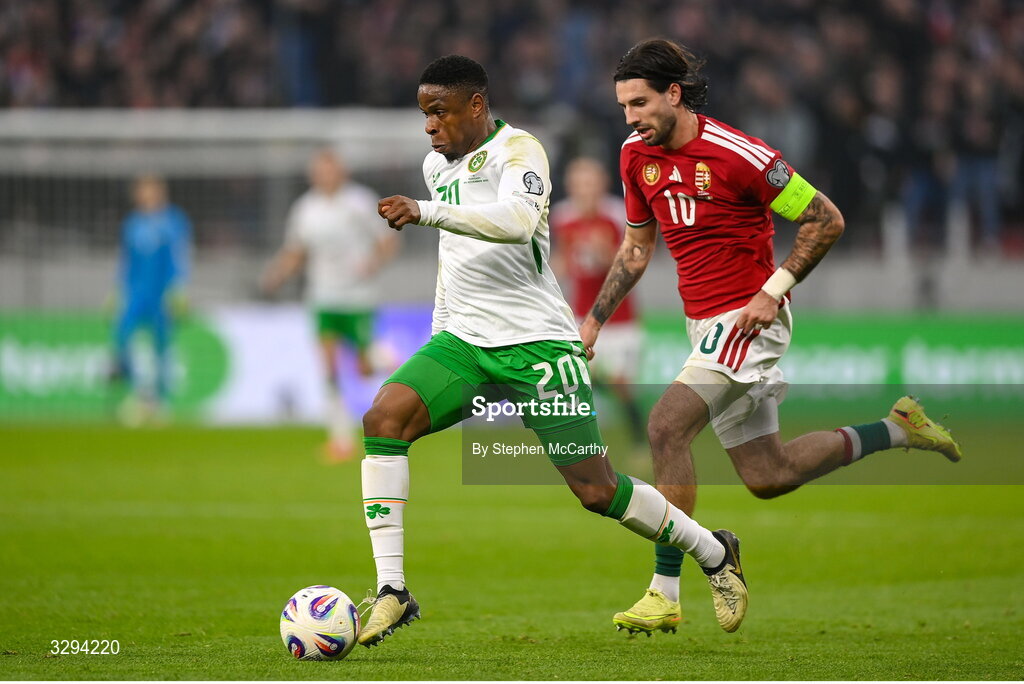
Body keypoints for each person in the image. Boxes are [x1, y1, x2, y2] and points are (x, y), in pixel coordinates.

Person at [358, 54, 749, 647]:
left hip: (536, 348)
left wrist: (426, 210)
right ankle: (392, 590)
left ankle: (713, 549)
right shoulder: (437, 166)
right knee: (383, 419)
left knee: (597, 491)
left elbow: (516, 222)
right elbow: (452, 265)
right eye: (424, 115)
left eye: (438, 112)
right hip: (463, 343)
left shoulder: (522, 151)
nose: (430, 126)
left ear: (476, 106)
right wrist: (440, 329)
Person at [578, 39, 963, 636]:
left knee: (663, 427)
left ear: (673, 94)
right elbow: (635, 248)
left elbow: (825, 218)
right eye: (623, 106)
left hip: (748, 318)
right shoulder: (635, 156)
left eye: (639, 103)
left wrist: (773, 288)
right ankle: (898, 428)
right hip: (703, 324)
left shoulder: (741, 155)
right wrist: (595, 319)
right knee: (769, 475)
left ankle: (666, 589)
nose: (628, 118)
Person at [261, 149, 398, 461]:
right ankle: (340, 439)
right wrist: (277, 275)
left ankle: (385, 358)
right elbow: (296, 250)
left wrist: (374, 263)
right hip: (322, 297)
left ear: (341, 171)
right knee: (329, 367)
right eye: (319, 170)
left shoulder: (361, 202)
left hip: (358, 297)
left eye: (329, 169)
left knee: (363, 368)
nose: (324, 175)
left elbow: (388, 240)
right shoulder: (305, 209)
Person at [550, 157, 645, 450]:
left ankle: (640, 439)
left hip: (619, 318)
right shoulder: (562, 216)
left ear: (602, 184)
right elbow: (564, 260)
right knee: (577, 380)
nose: (584, 190)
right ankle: (580, 445)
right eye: (579, 184)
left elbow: (628, 263)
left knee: (621, 384)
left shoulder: (617, 214)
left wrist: (603, 252)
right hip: (581, 314)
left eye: (590, 183)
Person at [111, 174, 192, 421]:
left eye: (151, 190)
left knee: (161, 347)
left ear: (160, 192)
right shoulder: (132, 224)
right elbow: (127, 260)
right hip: (136, 292)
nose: (146, 196)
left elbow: (180, 256)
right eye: (142, 191)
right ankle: (138, 395)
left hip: (162, 293)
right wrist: (118, 289)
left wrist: (178, 288)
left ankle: (159, 402)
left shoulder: (174, 221)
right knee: (122, 336)